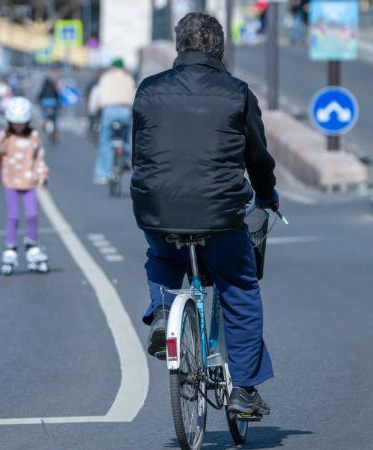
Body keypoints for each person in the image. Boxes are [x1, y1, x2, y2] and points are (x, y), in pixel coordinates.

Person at [131, 12, 278, 417]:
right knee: (240, 288)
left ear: (179, 47)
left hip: (157, 208)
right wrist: (267, 197)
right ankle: (244, 390)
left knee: (162, 255)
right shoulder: (237, 92)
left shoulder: (147, 90)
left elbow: (139, 154)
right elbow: (258, 157)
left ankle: (163, 312)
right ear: (220, 49)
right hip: (219, 214)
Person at [0, 97, 49, 276]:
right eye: (15, 123)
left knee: (32, 214)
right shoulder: (5, 136)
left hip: (29, 181)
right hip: (10, 180)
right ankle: (10, 245)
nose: (18, 127)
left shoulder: (33, 136)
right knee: (13, 215)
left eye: (22, 123)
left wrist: (42, 175)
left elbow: (39, 157)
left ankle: (31, 243)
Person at [88, 58, 136, 185]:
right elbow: (134, 94)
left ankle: (102, 174)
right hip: (125, 110)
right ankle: (129, 160)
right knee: (128, 138)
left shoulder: (106, 78)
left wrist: (93, 111)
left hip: (109, 111)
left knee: (105, 142)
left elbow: (97, 95)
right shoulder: (128, 78)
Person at [37, 76, 60, 141]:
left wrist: (39, 103)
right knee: (54, 118)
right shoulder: (53, 86)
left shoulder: (43, 87)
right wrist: (59, 104)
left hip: (45, 103)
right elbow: (57, 95)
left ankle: (44, 123)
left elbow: (39, 95)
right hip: (53, 103)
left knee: (45, 116)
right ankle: (55, 130)